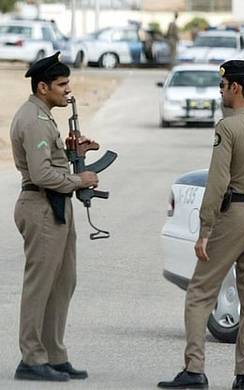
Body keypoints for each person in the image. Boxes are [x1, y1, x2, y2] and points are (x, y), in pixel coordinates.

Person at [158, 60, 244, 390]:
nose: (221, 91)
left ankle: (194, 370)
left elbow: (217, 183)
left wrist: (204, 230)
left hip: (235, 216)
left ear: (237, 88)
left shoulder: (226, 128)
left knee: (200, 292)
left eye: (223, 86)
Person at [10, 52, 98, 382]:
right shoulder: (33, 119)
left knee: (63, 282)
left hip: (55, 206)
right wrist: (80, 179)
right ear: (43, 87)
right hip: (41, 206)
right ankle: (32, 358)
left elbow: (51, 161)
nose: (68, 90)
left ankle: (54, 355)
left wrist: (77, 154)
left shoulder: (44, 116)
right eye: (62, 84)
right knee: (40, 286)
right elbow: (42, 173)